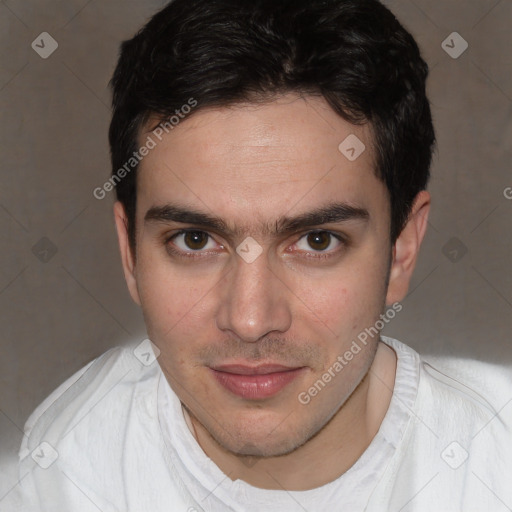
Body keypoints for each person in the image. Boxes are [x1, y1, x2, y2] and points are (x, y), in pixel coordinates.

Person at [6, 0, 512, 510]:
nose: (250, 320)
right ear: (130, 252)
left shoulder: (496, 461)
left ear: (402, 249)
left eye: (317, 241)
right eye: (195, 240)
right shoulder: (66, 469)